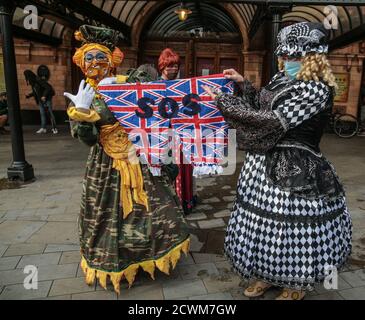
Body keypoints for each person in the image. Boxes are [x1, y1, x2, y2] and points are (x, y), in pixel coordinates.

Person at [203, 22, 352, 300]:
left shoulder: (316, 90)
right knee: (262, 227)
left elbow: (271, 121)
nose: (285, 61)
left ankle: (295, 283)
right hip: (262, 168)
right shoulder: (281, 80)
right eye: (283, 56)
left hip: (298, 170)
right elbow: (261, 104)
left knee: (292, 230)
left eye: (293, 57)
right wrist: (242, 85)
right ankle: (264, 276)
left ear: (311, 58)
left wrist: (225, 103)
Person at [63, 25, 190, 293]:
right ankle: (115, 263)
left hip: (139, 157)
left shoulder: (125, 84)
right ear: (81, 62)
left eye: (101, 57)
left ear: (111, 61)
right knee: (109, 217)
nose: (95, 63)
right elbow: (86, 140)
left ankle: (151, 258)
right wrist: (82, 112)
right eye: (90, 58)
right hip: (105, 167)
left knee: (154, 210)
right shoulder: (82, 95)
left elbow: (151, 100)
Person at [158, 48, 197, 214]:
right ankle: (171, 204)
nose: (173, 69)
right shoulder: (154, 86)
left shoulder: (182, 86)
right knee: (166, 169)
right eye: (169, 66)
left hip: (181, 134)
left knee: (184, 167)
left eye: (176, 66)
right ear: (162, 67)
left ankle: (185, 201)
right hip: (162, 135)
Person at [24, 70, 58, 134]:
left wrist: (44, 96)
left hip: (47, 99)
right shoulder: (33, 83)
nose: (26, 78)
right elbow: (36, 92)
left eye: (26, 76)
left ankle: (54, 128)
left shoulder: (38, 80)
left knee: (50, 113)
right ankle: (43, 128)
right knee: (42, 114)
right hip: (40, 100)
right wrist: (29, 95)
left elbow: (48, 87)